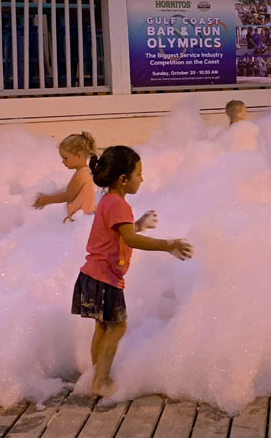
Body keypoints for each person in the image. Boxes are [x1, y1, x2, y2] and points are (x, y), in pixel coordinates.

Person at [73, 146, 193, 397]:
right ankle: (101, 381)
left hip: (91, 275)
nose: (142, 179)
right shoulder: (118, 205)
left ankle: (96, 375)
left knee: (103, 327)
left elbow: (120, 233)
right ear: (123, 179)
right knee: (117, 327)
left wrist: (138, 225)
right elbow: (129, 240)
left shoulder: (108, 201)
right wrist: (168, 244)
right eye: (139, 174)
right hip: (105, 277)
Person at [34, 132, 98, 222]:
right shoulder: (84, 172)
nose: (63, 162)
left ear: (78, 155)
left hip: (82, 220)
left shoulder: (81, 175)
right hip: (82, 219)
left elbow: (68, 196)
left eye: (65, 158)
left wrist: (46, 200)